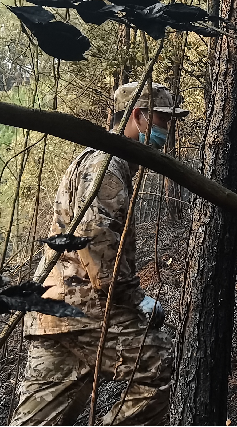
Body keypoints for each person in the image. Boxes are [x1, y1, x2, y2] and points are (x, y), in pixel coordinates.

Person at [12, 82, 188, 426]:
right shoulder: (106, 166)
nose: (168, 129)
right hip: (81, 308)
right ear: (139, 116)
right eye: (164, 120)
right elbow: (97, 242)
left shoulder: (97, 160)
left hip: (52, 316)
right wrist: (134, 298)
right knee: (157, 359)